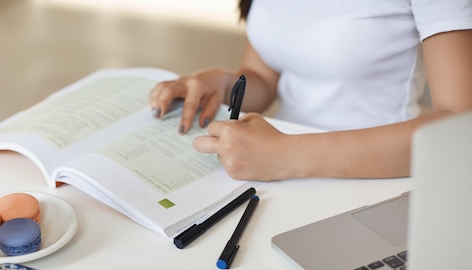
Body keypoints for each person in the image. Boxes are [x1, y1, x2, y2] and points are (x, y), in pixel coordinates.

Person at [149, 0, 472, 181]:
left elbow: (460, 124)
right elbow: (263, 75)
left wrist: (286, 155)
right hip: (277, 170)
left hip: (376, 180)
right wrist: (219, 84)